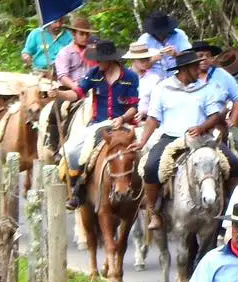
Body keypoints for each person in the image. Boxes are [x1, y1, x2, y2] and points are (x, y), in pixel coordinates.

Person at [136, 48, 225, 229]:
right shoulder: (163, 87)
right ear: (184, 69)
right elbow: (153, 118)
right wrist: (142, 141)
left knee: (232, 164)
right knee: (151, 166)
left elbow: (214, 115)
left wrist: (202, 127)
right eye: (195, 67)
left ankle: (227, 208)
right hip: (171, 137)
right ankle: (154, 212)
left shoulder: (204, 88)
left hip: (201, 138)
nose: (199, 71)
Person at [53, 39, 141, 208]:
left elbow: (133, 107)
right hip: (99, 126)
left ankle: (146, 195)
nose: (96, 63)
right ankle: (77, 190)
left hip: (124, 126)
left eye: (100, 60)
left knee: (143, 154)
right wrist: (58, 94)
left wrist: (122, 118)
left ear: (110, 60)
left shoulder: (130, 77)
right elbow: (77, 94)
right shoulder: (94, 74)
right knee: (72, 152)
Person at [193, 40, 238, 127]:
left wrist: (233, 121)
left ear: (212, 58)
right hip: (193, 125)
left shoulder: (222, 75)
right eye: (200, 56)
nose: (204, 59)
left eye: (207, 55)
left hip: (218, 123)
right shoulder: (187, 77)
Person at [139, 11, 192, 80]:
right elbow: (140, 66)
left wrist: (176, 54)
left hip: (178, 78)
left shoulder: (179, 35)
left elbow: (191, 57)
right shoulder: (144, 40)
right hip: (154, 81)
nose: (162, 34)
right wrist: (153, 60)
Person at [124, 40, 162, 117]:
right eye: (142, 60)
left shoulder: (154, 79)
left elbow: (157, 103)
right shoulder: (123, 77)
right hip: (123, 118)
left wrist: (144, 112)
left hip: (146, 119)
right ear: (133, 60)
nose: (145, 62)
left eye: (147, 59)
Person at [54, 15, 94, 89]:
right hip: (69, 89)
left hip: (88, 88)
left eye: (87, 34)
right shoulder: (65, 52)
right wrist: (76, 88)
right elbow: (62, 76)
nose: (85, 37)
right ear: (73, 34)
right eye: (81, 34)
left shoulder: (91, 50)